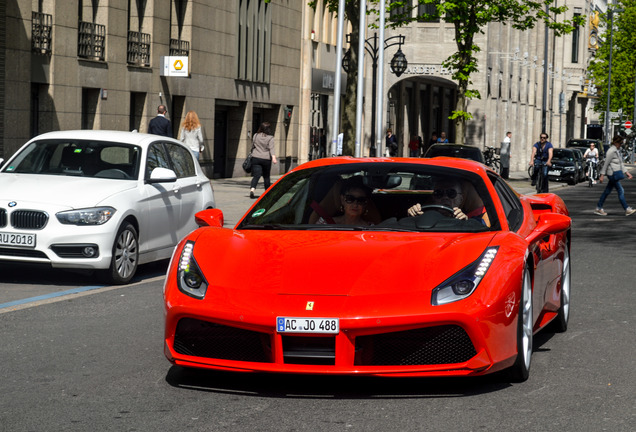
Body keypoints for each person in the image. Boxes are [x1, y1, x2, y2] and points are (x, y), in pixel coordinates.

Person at [407, 178, 489, 225]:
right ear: (434, 197)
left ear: (460, 199)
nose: (445, 197)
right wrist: (412, 215)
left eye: (451, 193)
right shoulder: (422, 214)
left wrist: (466, 223)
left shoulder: (472, 221)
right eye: (439, 193)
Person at [594, 135, 636, 216]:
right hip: (612, 174)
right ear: (616, 142)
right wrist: (602, 175)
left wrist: (627, 173)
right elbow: (606, 163)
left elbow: (621, 164)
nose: (621, 145)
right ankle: (626, 209)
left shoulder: (616, 150)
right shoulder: (611, 151)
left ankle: (599, 208)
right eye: (620, 143)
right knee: (621, 190)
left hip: (615, 173)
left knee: (607, 191)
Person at [249, 122, 277, 199]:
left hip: (256, 157)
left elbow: (252, 146)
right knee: (266, 177)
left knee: (256, 176)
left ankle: (252, 189)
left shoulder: (255, 135)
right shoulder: (270, 138)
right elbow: (272, 148)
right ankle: (267, 193)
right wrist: (274, 158)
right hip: (266, 159)